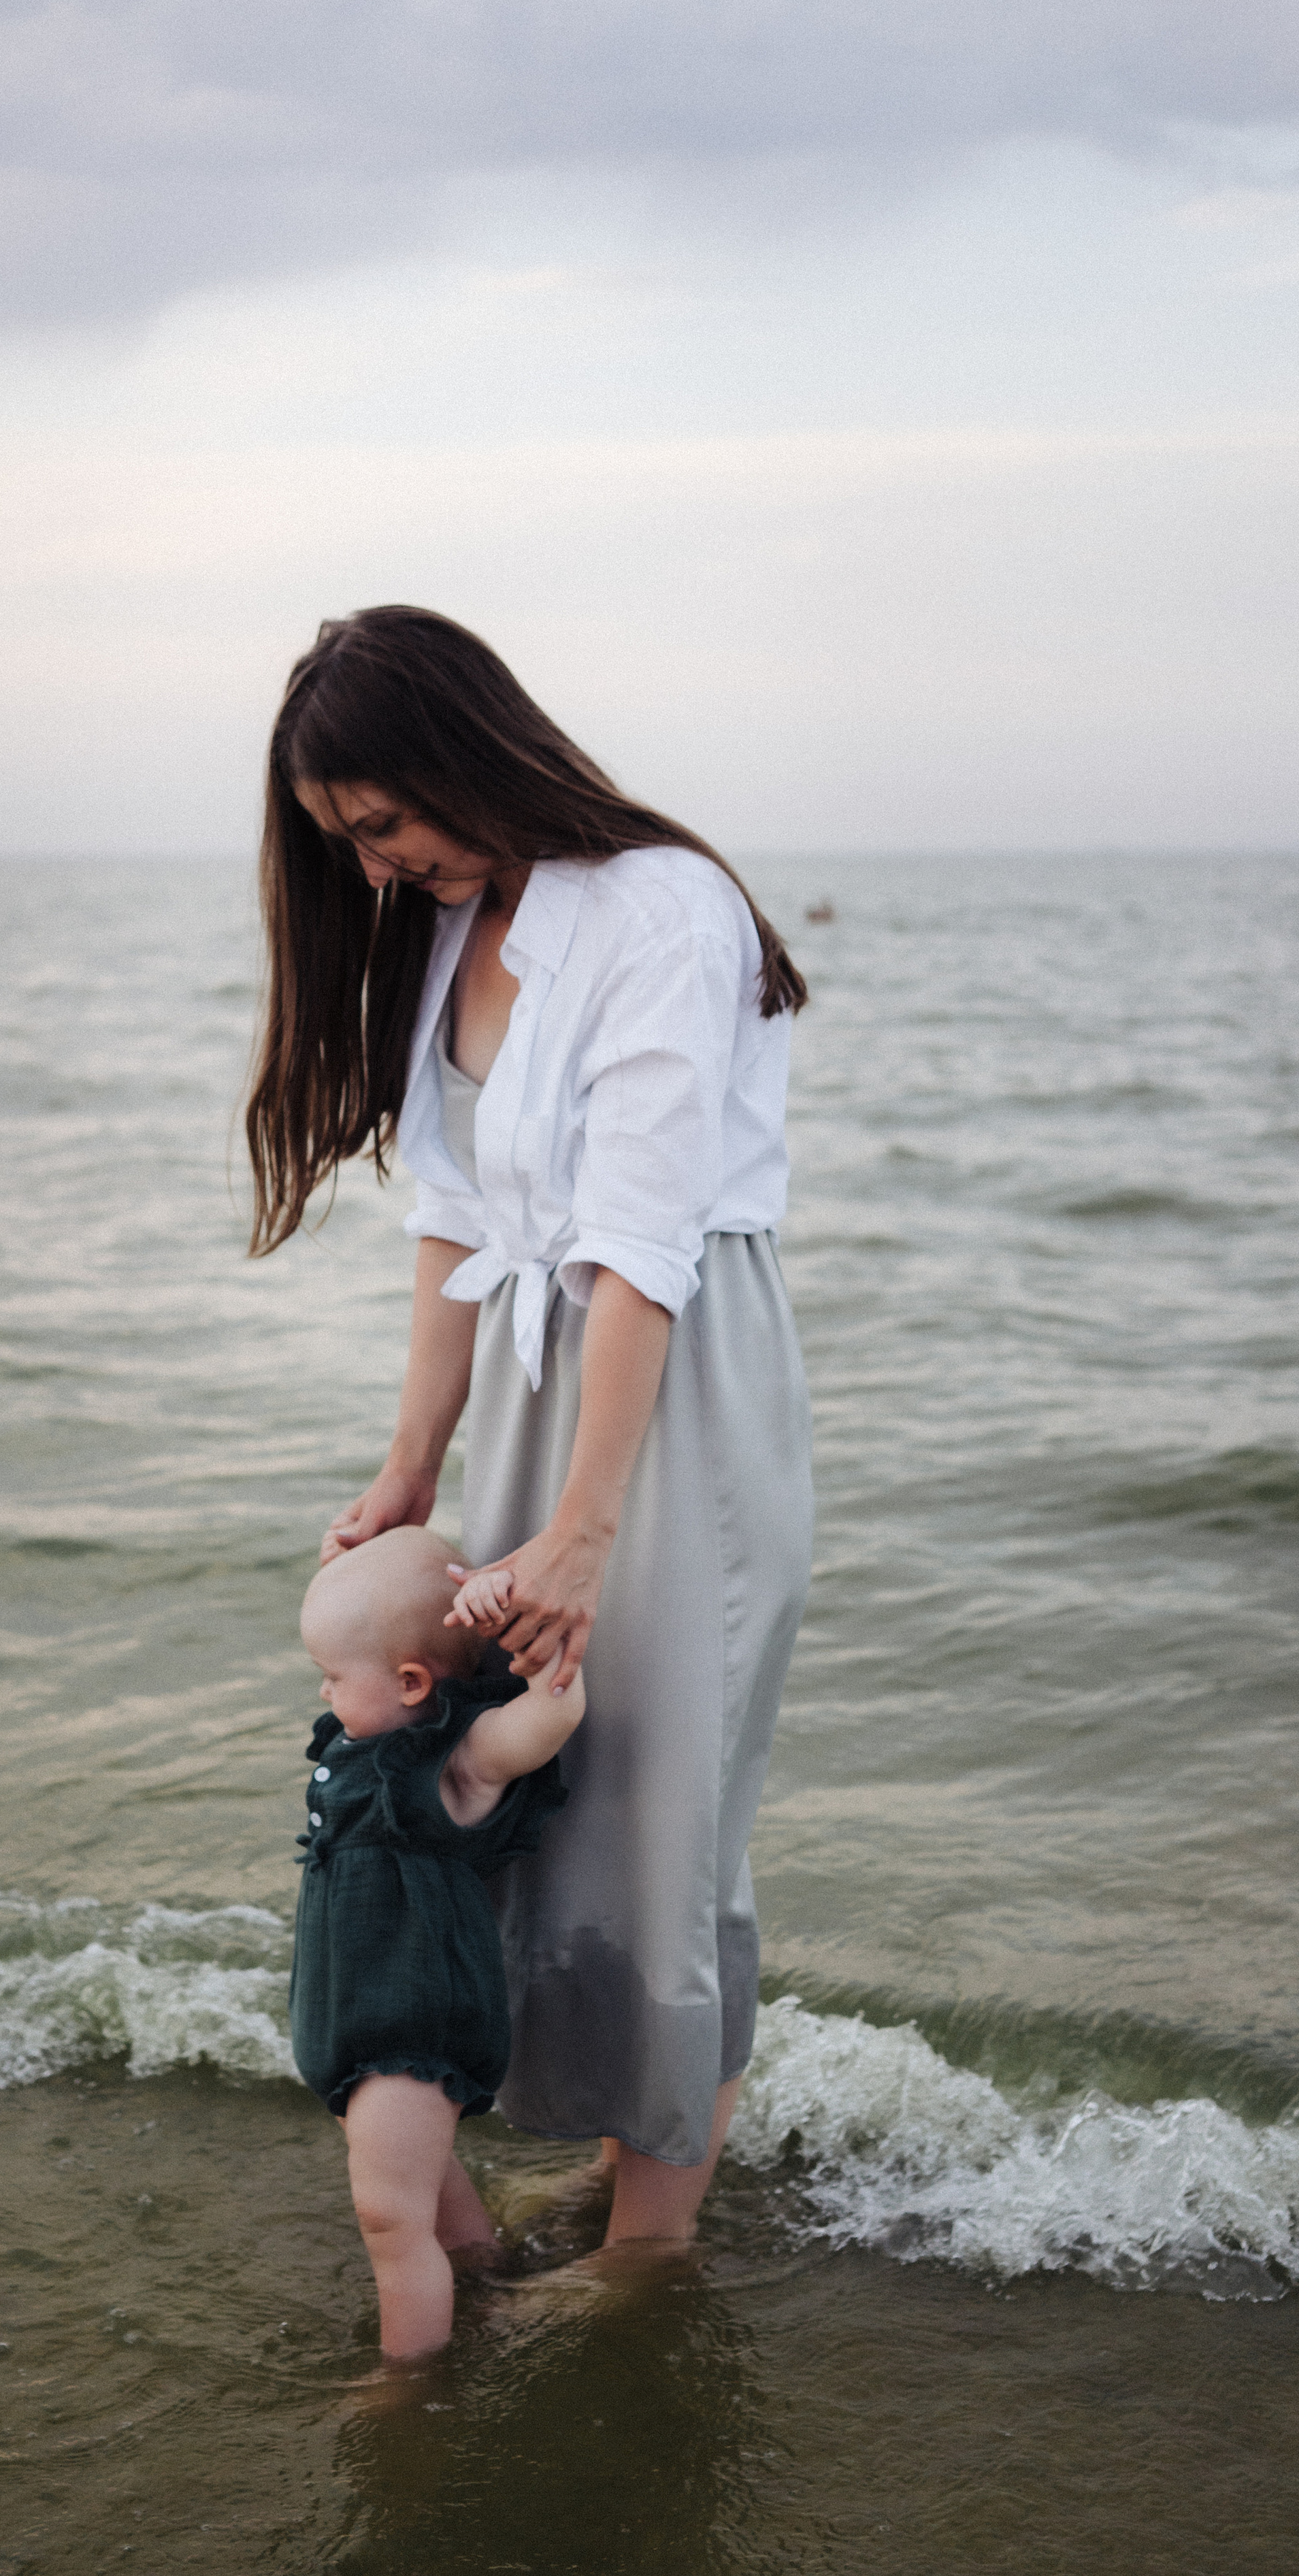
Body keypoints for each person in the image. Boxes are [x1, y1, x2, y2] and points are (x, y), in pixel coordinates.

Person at [247, 605, 813, 2253]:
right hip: (529, 1381)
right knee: (520, 1798)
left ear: (459, 753)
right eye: (341, 842)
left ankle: (649, 2246)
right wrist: (416, 1461)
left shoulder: (659, 907)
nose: (369, 867)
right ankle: (636, 2139)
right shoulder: (456, 917)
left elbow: (637, 1247)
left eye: (379, 824)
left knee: (661, 1802)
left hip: (672, 1395)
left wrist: (581, 1524)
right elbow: (448, 1216)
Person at [291, 1525, 581, 2357]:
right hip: (357, 2015)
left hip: (410, 2025)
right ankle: (487, 2287)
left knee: (389, 2217)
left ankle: (409, 2382)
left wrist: (541, 1645)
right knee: (429, 2185)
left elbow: (551, 1714)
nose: (323, 1690)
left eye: (334, 1676)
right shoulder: (364, 1744)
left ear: (412, 1681)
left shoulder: (453, 1764)